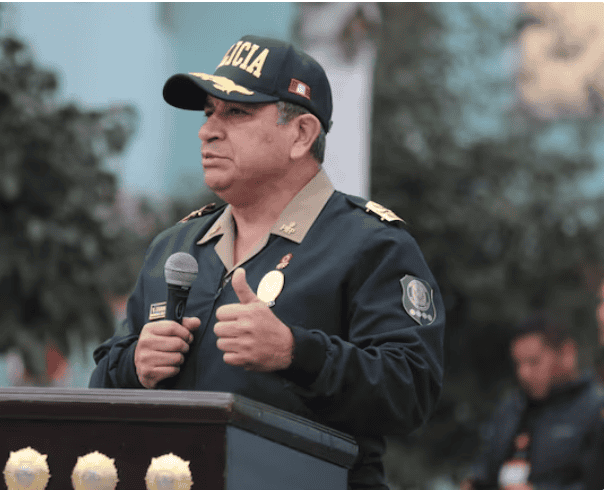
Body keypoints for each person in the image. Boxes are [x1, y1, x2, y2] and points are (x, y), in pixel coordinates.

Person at [89, 34, 445, 489]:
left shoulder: (370, 244)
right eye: (208, 112)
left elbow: (410, 390)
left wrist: (297, 354)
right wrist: (135, 365)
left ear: (301, 135)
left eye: (236, 113)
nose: (207, 131)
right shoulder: (174, 247)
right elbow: (101, 385)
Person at [460, 314, 604, 490]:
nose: (523, 374)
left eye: (534, 362)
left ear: (566, 353)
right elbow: (484, 471)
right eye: (518, 364)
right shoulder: (511, 408)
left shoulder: (595, 409)